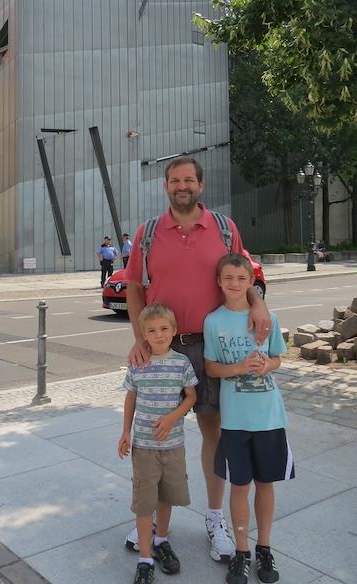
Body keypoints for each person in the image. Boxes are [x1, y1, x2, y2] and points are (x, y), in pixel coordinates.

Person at [124, 155, 271, 563]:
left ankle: (214, 517)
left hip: (212, 348)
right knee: (156, 435)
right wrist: (139, 338)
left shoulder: (224, 228)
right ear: (165, 186)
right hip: (163, 350)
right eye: (175, 180)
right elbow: (134, 287)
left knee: (214, 433)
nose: (182, 186)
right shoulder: (148, 232)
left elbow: (243, 276)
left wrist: (258, 303)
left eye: (189, 180)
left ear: (201, 186)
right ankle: (153, 521)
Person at [204, 252, 294, 584]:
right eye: (228, 278)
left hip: (268, 416)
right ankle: (241, 551)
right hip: (234, 420)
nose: (234, 283)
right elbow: (211, 367)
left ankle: (264, 548)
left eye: (241, 278)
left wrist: (266, 365)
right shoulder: (213, 321)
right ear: (218, 282)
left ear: (251, 283)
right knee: (239, 486)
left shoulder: (268, 317)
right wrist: (240, 367)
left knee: (265, 484)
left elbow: (278, 359)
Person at [118, 303, 198, 584]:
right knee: (144, 502)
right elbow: (131, 397)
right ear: (144, 334)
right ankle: (145, 558)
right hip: (144, 447)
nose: (159, 335)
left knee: (166, 497)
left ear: (174, 330)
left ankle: (161, 540)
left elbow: (191, 396)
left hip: (173, 445)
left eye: (164, 329)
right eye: (151, 331)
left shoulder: (181, 363)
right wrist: (125, 432)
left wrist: (172, 417)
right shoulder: (138, 363)